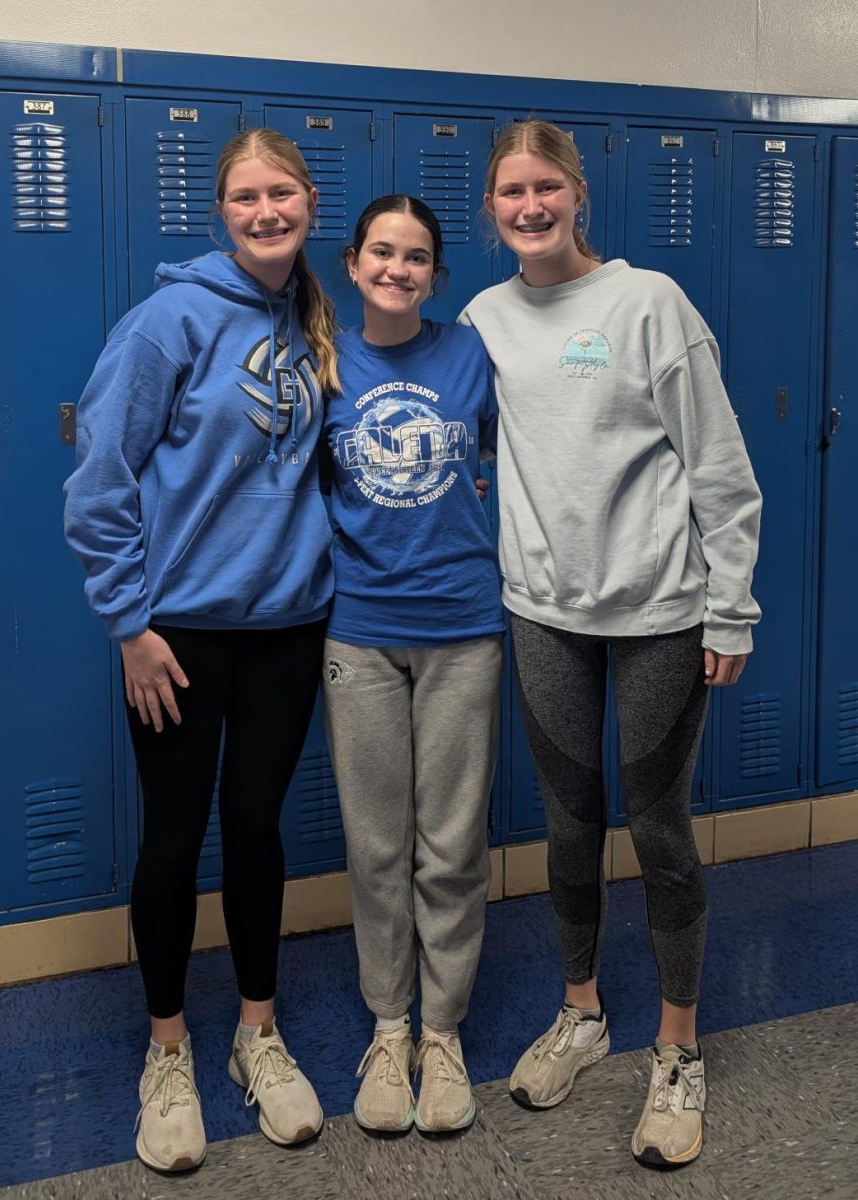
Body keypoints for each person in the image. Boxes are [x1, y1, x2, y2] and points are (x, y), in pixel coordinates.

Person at [460, 120, 761, 1167]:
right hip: (543, 609)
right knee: (568, 821)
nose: (530, 206)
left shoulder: (648, 303)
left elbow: (718, 468)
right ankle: (580, 1010)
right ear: (489, 205)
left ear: (578, 195)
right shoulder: (484, 316)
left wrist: (730, 610)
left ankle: (676, 1047)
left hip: (659, 616)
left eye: (546, 187)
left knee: (657, 823)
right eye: (510, 192)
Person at [64, 128, 339, 1172]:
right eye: (244, 196)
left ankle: (256, 1035)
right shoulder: (167, 319)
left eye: (281, 193)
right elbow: (99, 485)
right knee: (175, 839)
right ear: (220, 210)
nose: (265, 210)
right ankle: (168, 1046)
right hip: (175, 636)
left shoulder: (313, 316)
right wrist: (130, 623)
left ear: (309, 201)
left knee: (258, 831)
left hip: (287, 627)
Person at [322, 195, 504, 1135]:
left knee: (450, 846)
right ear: (352, 263)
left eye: (417, 257)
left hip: (464, 628)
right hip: (356, 630)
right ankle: (388, 1028)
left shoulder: (471, 352)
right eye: (381, 253)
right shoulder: (323, 360)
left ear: (437, 274)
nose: (397, 269)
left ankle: (443, 1033)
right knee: (377, 844)